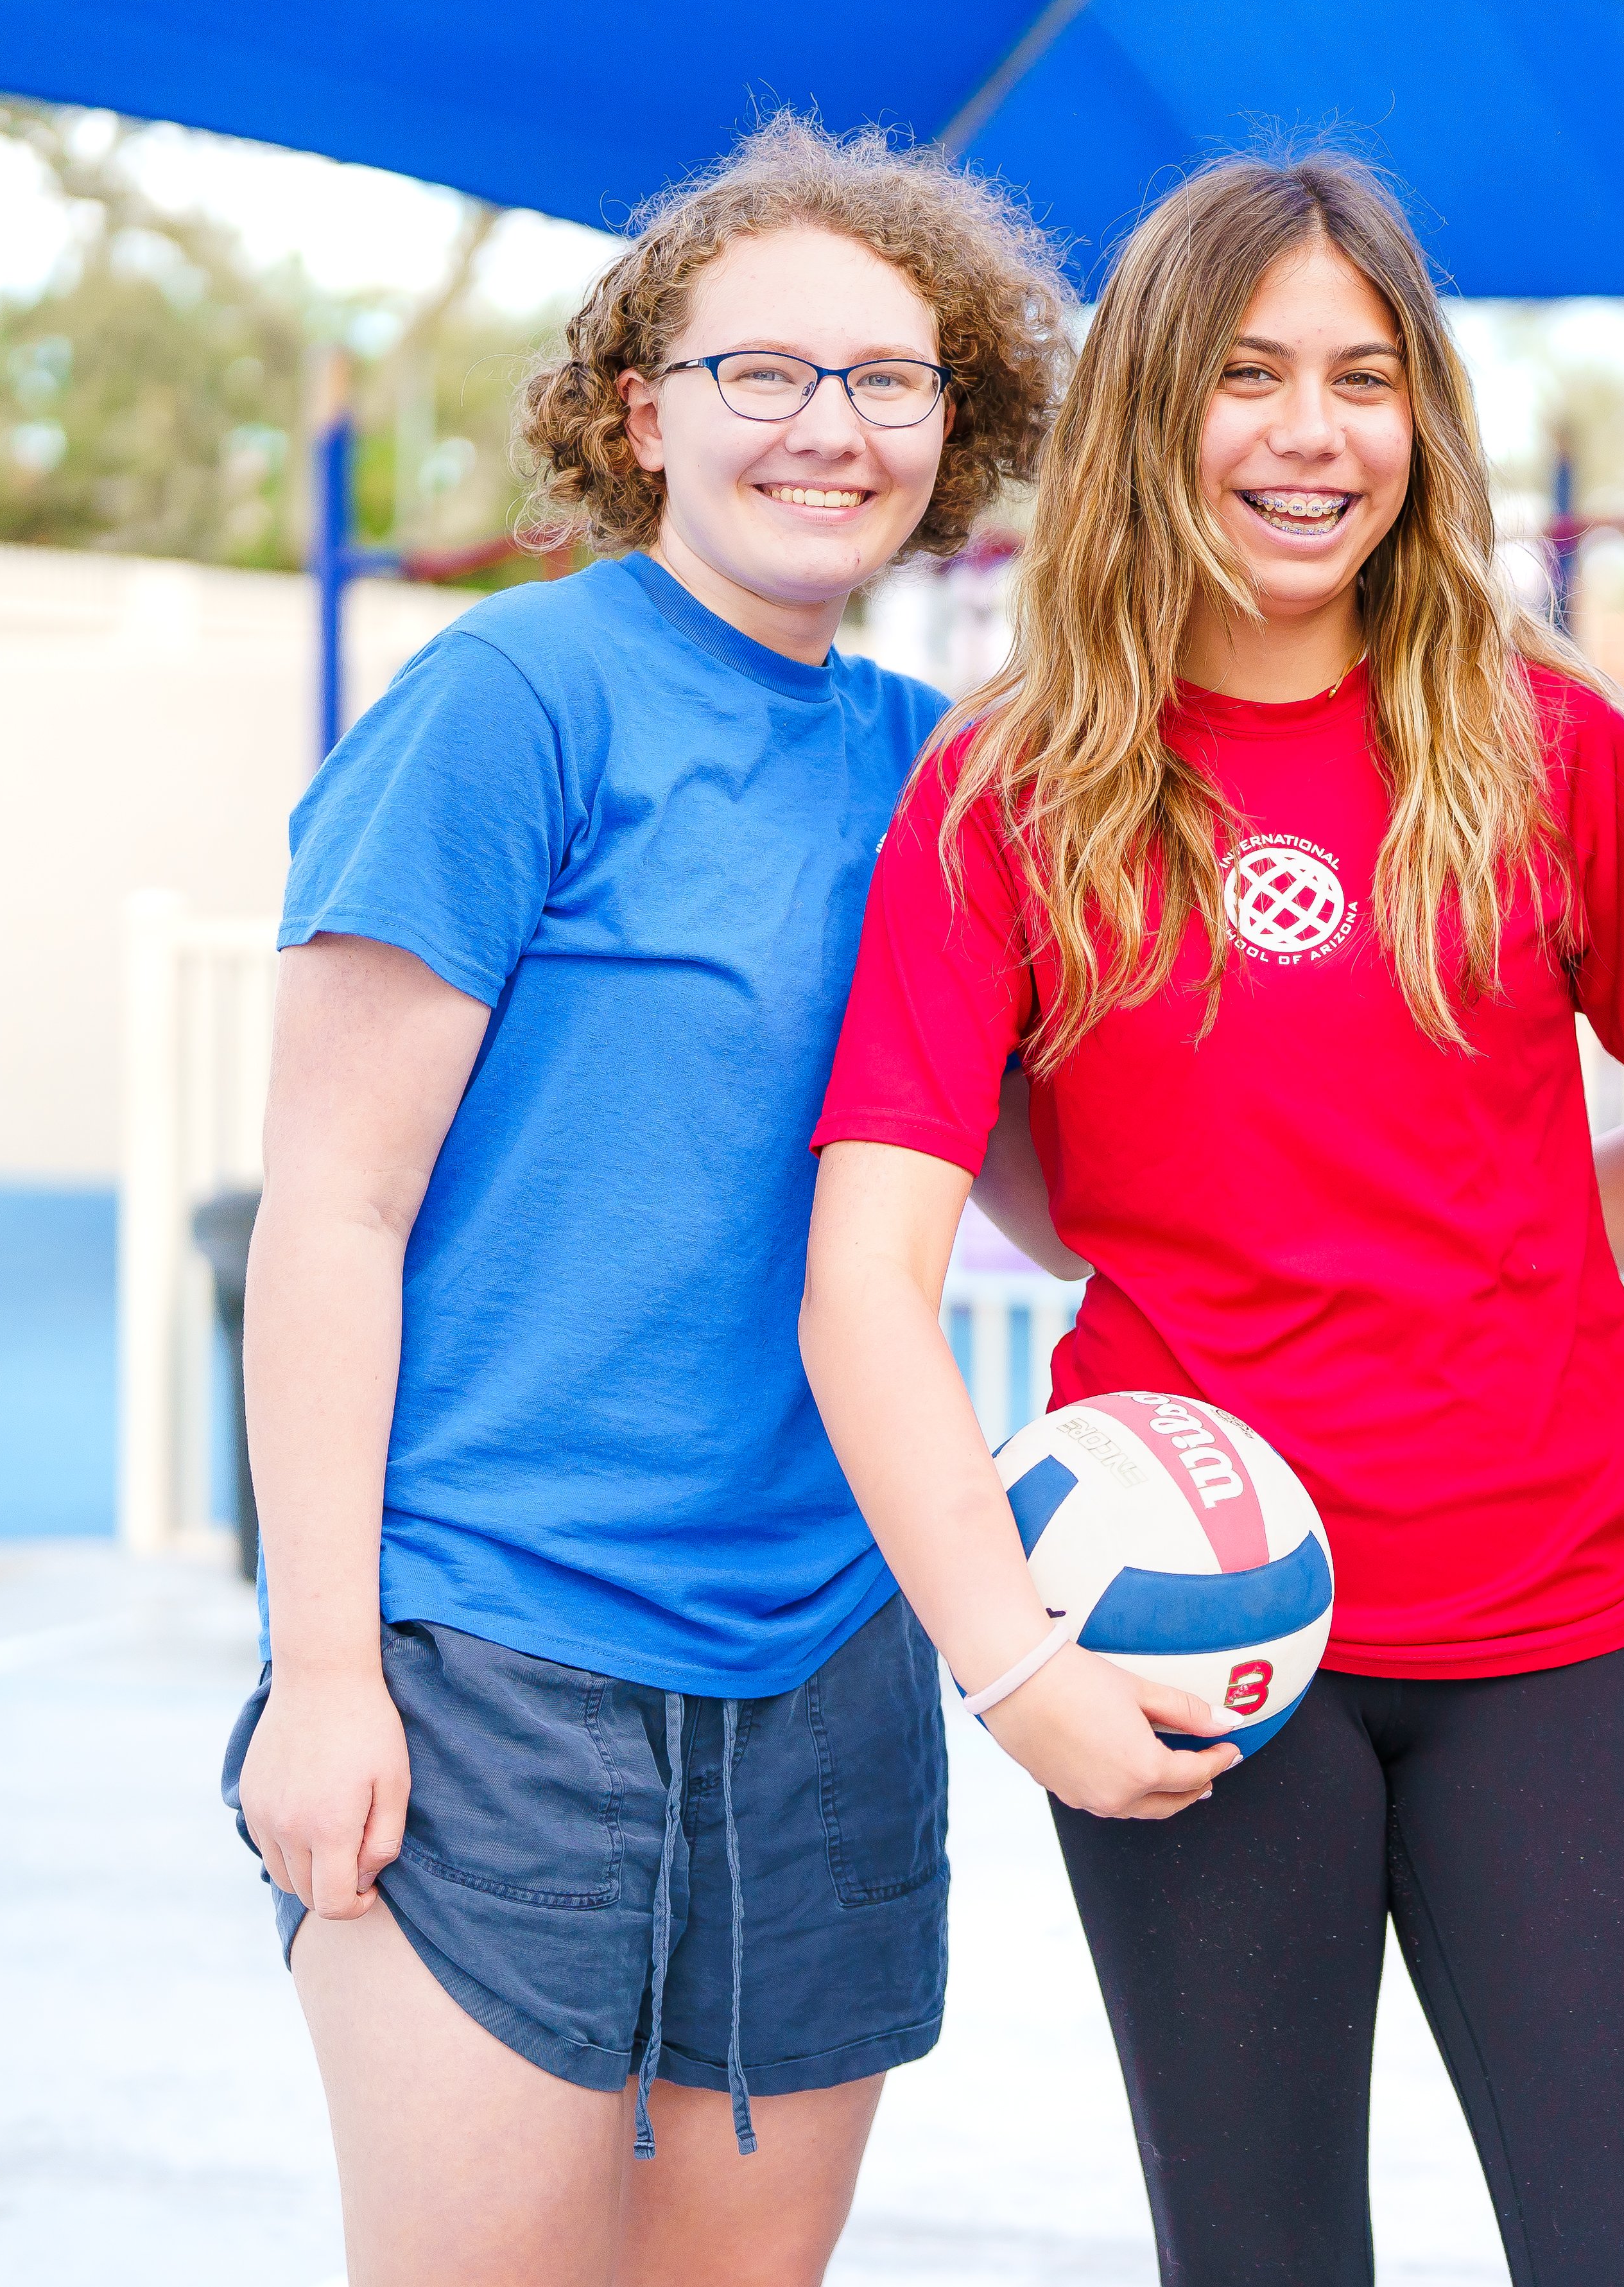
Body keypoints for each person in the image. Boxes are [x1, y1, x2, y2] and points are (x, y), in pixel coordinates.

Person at [797, 152, 1624, 2287]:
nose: (1311, 433)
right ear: (1156, 410)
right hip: (1180, 1649)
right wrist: (1011, 1667)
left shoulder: (1541, 751)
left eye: (1365, 379)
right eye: (1251, 374)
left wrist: (1517, 1241)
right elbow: (862, 1292)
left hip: (1544, 1626)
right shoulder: (1013, 794)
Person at [221, 116, 1073, 2287]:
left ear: (950, 427)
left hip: (825, 1666)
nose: (827, 426)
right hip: (497, 1665)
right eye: (759, 371)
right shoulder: (513, 707)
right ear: (642, 410)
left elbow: (1055, 1190)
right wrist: (328, 1670)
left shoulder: (945, 770)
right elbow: (328, 1209)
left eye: (889, 380)